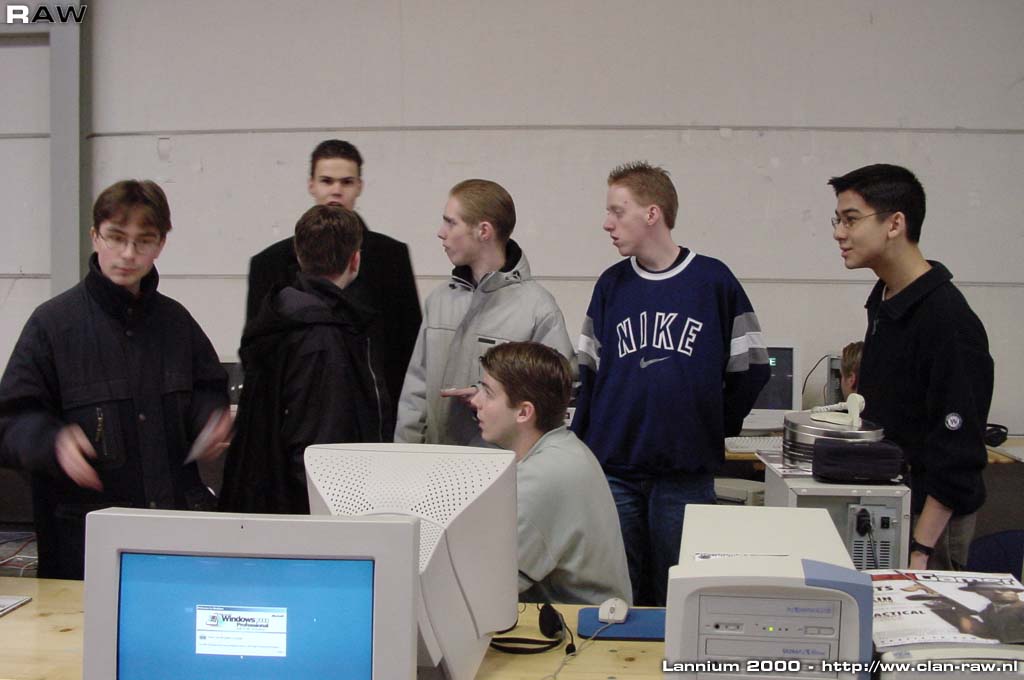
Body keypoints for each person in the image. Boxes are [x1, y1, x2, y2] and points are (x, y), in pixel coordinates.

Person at [0, 180, 231, 579]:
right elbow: (10, 420)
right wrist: (51, 440)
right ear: (95, 236)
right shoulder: (52, 325)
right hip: (82, 550)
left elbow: (207, 390)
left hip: (172, 542)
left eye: (144, 241)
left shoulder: (177, 323)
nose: (128, 253)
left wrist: (210, 420)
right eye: (117, 237)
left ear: (160, 245)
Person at [572, 161, 770, 606]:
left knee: (679, 596)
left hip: (684, 476)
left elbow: (753, 366)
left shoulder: (713, 281)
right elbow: (588, 373)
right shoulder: (611, 286)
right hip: (615, 471)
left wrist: (714, 425)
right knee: (616, 595)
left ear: (652, 213)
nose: (607, 224)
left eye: (617, 211)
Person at [828, 163, 993, 570]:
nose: (839, 233)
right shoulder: (886, 298)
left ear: (895, 223)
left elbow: (959, 452)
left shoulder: (947, 319)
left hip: (929, 523)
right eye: (837, 220)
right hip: (892, 504)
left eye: (851, 219)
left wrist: (920, 549)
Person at [220, 205, 390, 514]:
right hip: (307, 513)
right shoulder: (322, 338)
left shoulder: (278, 317)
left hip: (266, 500)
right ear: (355, 260)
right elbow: (317, 447)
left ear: (299, 256)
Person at [245, 140, 420, 434]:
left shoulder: (391, 257)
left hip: (377, 420)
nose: (336, 190)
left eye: (346, 182)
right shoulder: (270, 262)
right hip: (294, 420)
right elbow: (257, 352)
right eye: (327, 181)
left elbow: (407, 347)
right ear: (311, 185)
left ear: (359, 186)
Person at [394, 179, 574, 446]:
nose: (441, 233)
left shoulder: (538, 309)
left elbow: (555, 398)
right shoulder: (440, 300)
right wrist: (405, 452)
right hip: (433, 462)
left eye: (451, 222)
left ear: (483, 231)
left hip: (501, 465)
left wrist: (490, 394)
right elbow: (415, 389)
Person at [469, 341, 632, 605]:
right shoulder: (565, 448)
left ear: (524, 412)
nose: (475, 401)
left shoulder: (542, 478)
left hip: (579, 627)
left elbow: (481, 588)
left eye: (488, 393)